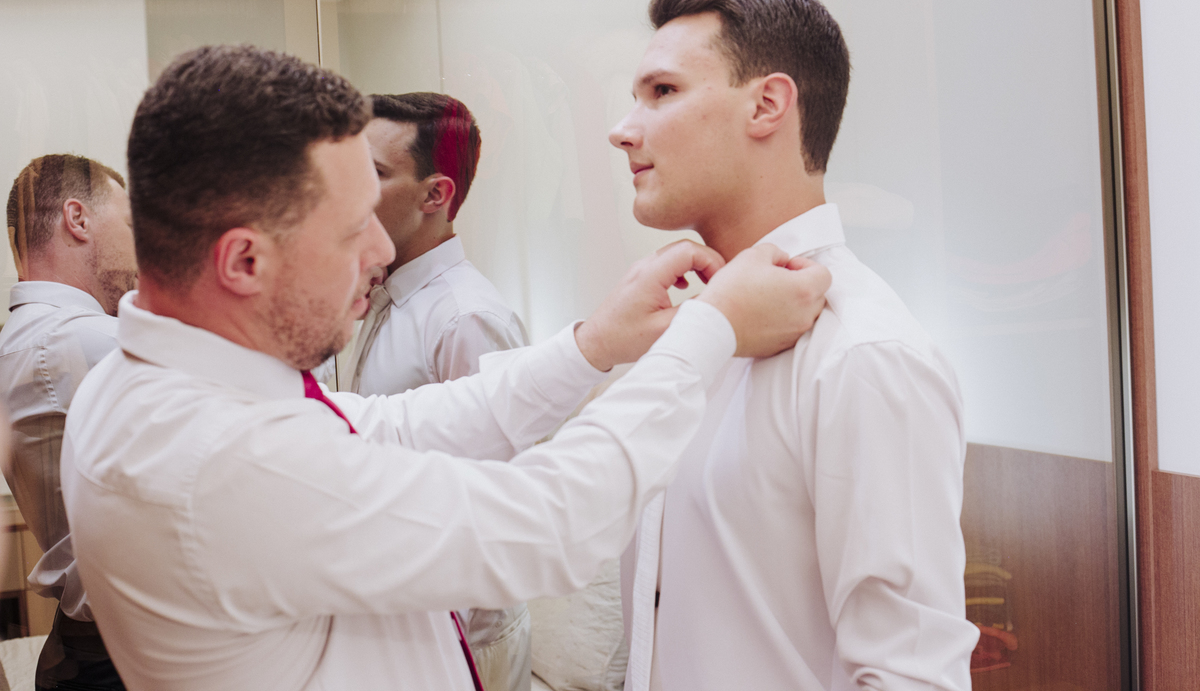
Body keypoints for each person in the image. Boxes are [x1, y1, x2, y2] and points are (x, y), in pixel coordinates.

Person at [59, 44, 832, 691]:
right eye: (353, 229)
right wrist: (708, 332)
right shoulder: (216, 459)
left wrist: (591, 345)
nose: (381, 250)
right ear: (245, 262)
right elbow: (548, 523)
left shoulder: (148, 383)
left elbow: (398, 426)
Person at [609, 0, 979, 691]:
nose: (623, 129)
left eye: (663, 92)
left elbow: (912, 675)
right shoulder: (683, 332)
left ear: (767, 105)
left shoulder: (864, 356)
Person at [349, 92, 532, 691]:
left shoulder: (465, 318)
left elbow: (497, 493)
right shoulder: (379, 292)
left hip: (462, 638)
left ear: (435, 195)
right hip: (397, 618)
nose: (351, 188)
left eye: (374, 173)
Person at [0, 153, 136, 691]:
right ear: (77, 219)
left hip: (83, 645)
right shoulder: (80, 339)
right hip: (120, 656)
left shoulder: (26, 336)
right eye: (131, 224)